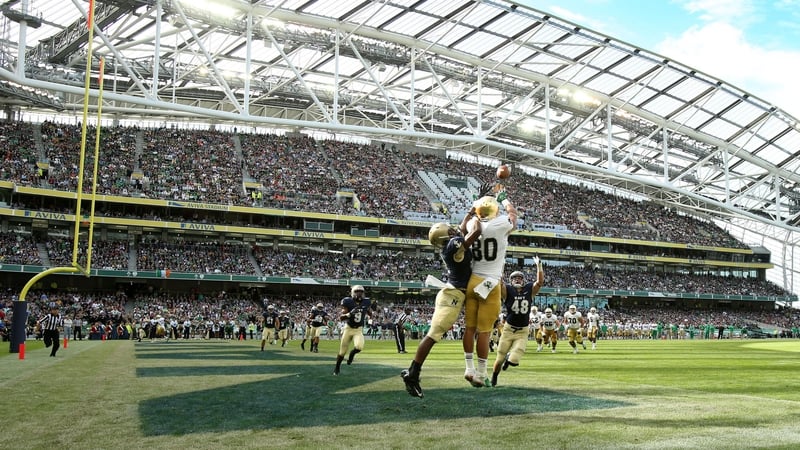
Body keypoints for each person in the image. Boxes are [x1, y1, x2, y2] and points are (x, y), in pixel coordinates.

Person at [401, 209, 482, 398]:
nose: (454, 230)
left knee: (435, 334)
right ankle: (413, 375)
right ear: (445, 236)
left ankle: (413, 372)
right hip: (452, 296)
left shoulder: (451, 243)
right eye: (450, 230)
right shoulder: (453, 245)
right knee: (434, 334)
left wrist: (470, 213)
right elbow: (475, 232)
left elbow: (462, 229)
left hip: (455, 294)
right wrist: (479, 215)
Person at [463, 189, 518, 388]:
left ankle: (468, 368)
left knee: (470, 328)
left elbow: (465, 224)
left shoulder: (472, 223)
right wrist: (505, 200)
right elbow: (513, 217)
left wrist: (474, 205)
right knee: (484, 331)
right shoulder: (500, 223)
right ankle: (481, 373)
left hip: (472, 280)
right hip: (490, 282)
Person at [491, 258, 544, 387]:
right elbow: (499, 282)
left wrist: (539, 266)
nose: (517, 279)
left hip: (523, 330)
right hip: (508, 329)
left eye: (520, 278)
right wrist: (501, 266)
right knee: (499, 358)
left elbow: (540, 282)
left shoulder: (529, 289)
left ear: (523, 280)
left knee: (515, 358)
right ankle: (494, 375)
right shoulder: (507, 290)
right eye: (515, 278)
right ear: (511, 280)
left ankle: (509, 359)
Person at [333, 285, 374, 375]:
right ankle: (337, 368)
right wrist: (349, 314)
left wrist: (370, 322)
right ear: (352, 293)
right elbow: (341, 318)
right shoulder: (348, 301)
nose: (359, 294)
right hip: (348, 329)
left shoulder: (366, 302)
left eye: (361, 292)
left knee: (359, 347)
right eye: (357, 291)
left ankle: (351, 355)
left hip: (358, 329)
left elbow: (370, 313)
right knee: (342, 351)